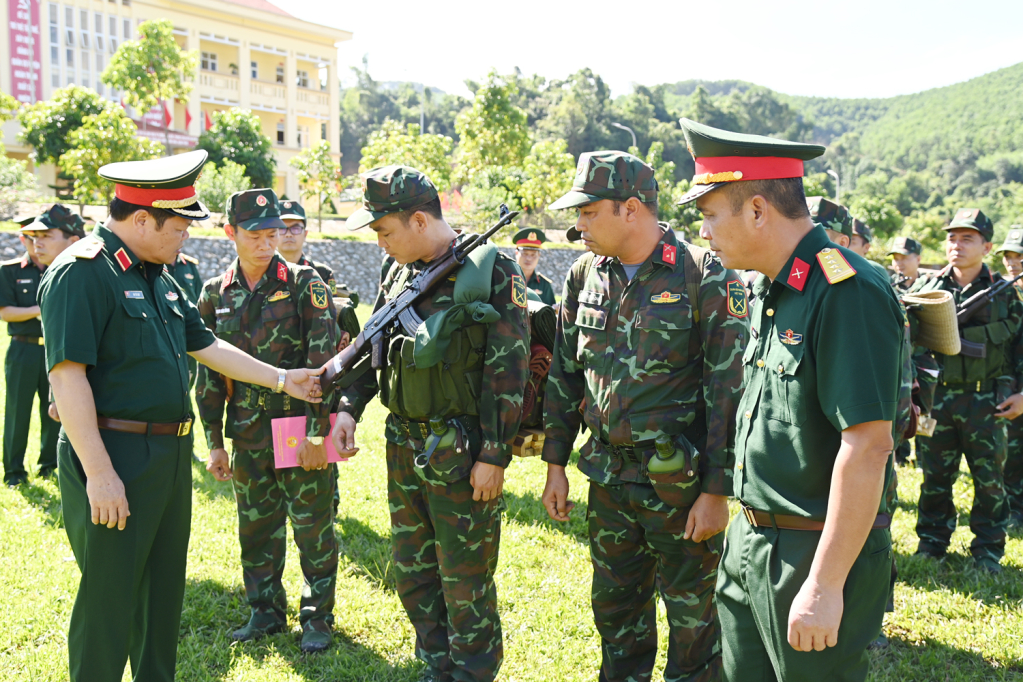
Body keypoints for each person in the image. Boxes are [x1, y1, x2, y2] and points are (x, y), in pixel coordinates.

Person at [37, 149, 324, 682]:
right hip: (114, 454)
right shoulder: (82, 273)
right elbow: (67, 376)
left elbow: (207, 345)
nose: (186, 237)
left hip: (169, 454)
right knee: (110, 596)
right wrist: (100, 475)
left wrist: (284, 379)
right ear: (142, 219)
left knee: (161, 595)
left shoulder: (159, 276)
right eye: (179, 226)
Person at [678, 118, 905, 682]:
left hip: (811, 553)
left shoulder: (846, 291)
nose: (702, 231)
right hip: (752, 541)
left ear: (757, 210)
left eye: (709, 214)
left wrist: (825, 586)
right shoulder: (769, 288)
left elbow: (868, 444)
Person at [541, 150, 748, 682]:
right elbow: (566, 373)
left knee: (695, 624)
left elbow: (728, 391)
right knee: (615, 616)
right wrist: (556, 463)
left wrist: (716, 491)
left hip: (679, 486)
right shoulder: (584, 274)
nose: (578, 224)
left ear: (630, 209)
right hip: (608, 481)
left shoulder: (706, 276)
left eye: (588, 212)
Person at [330, 165, 529, 682]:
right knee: (413, 573)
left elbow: (509, 368)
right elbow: (377, 344)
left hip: (462, 448)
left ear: (419, 220)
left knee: (465, 580)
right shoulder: (396, 271)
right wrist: (350, 407)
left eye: (383, 230)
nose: (379, 243)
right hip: (404, 443)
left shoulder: (491, 270)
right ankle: (437, 667)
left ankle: (472, 673)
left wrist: (494, 455)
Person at [195, 188, 338, 652]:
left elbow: (323, 364)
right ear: (230, 233)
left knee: (313, 527)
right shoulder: (215, 294)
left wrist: (320, 432)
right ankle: (265, 612)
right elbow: (210, 373)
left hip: (298, 427)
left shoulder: (304, 283)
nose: (266, 241)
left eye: (273, 232)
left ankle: (317, 618)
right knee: (256, 527)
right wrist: (215, 440)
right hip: (248, 432)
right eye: (255, 233)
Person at [909, 208, 1023, 573]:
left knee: (990, 481)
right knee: (934, 477)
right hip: (936, 400)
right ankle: (931, 543)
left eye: (967, 238)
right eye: (952, 238)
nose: (956, 245)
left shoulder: (1006, 296)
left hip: (987, 399)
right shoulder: (927, 289)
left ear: (987, 246)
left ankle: (988, 552)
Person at [0, 206, 84, 485]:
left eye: (43, 235)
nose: (36, 242)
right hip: (23, 348)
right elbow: (5, 312)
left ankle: (48, 466)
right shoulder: (10, 270)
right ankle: (13, 471)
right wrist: (40, 309)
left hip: (53, 350)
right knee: (17, 411)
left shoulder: (59, 269)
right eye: (32, 236)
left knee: (54, 410)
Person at [998, 226, 1023, 527]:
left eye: (1020, 256)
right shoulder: (1001, 293)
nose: (1013, 262)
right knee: (1011, 454)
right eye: (1008, 256)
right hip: (1009, 385)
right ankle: (1015, 509)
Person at [276, 199, 337, 294]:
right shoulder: (263, 271)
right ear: (273, 234)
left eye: (295, 229)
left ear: (305, 234)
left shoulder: (322, 273)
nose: (288, 234)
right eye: (282, 229)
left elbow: (334, 306)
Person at [166, 249, 203, 388]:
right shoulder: (158, 264)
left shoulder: (189, 265)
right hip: (168, 328)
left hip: (188, 328)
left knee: (189, 374)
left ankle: (188, 408)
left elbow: (199, 296)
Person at [511, 227, 556, 305]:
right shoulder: (506, 279)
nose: (529, 258)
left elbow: (550, 311)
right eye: (525, 253)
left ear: (539, 255)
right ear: (516, 253)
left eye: (533, 254)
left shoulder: (544, 284)